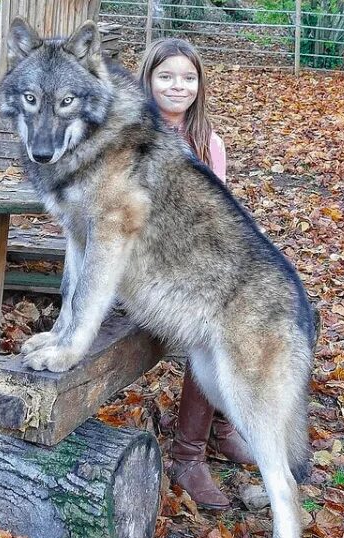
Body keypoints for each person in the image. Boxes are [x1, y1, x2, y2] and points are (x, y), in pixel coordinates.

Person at [137, 39, 254, 510]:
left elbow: (218, 217)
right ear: (147, 80)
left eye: (188, 77)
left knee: (249, 306)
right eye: (166, 76)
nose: (177, 86)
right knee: (211, 327)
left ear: (200, 84)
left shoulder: (208, 142)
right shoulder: (132, 136)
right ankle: (187, 457)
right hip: (143, 270)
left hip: (192, 263)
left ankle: (220, 426)